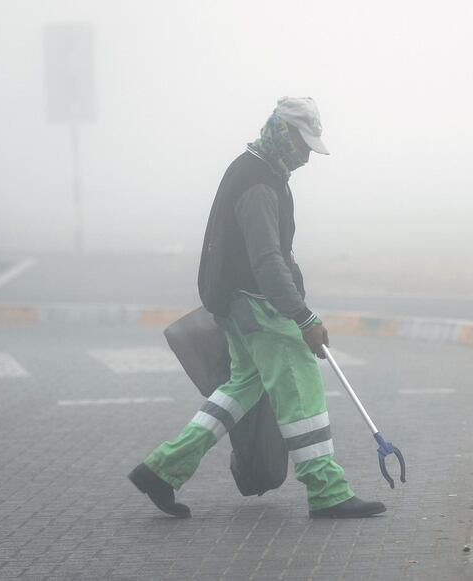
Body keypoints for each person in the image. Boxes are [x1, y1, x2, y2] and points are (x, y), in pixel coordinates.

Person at [128, 97, 386, 519]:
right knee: (302, 388)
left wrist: (299, 301)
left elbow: (278, 254)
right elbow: (267, 261)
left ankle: (162, 469)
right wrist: (302, 317)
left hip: (236, 303)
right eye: (303, 144)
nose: (307, 155)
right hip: (260, 305)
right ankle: (327, 490)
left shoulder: (257, 169)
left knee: (238, 390)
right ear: (283, 135)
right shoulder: (260, 184)